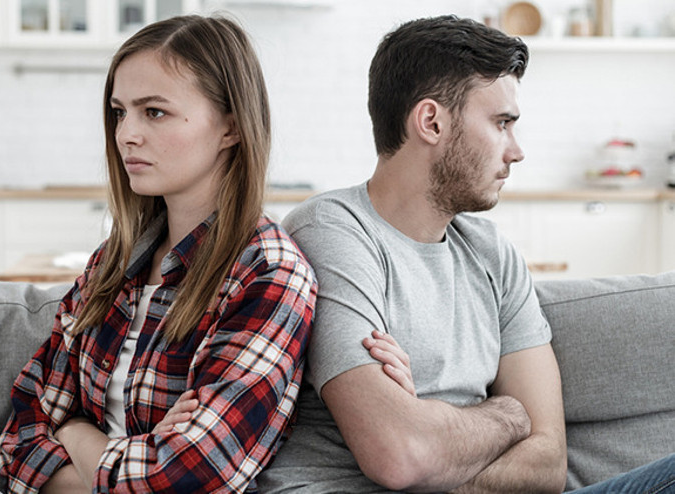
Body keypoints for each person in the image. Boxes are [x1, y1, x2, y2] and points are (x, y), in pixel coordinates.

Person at [0, 14, 316, 494]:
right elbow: (18, 437)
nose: (126, 134)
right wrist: (126, 454)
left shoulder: (269, 275)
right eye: (121, 112)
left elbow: (188, 480)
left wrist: (76, 434)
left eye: (154, 111)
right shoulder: (113, 265)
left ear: (230, 126)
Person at [257, 14, 675, 494]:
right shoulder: (333, 233)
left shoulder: (492, 254)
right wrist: (508, 414)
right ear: (431, 121)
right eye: (501, 123)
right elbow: (399, 455)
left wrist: (434, 433)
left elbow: (547, 463)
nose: (516, 151)